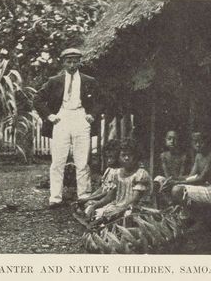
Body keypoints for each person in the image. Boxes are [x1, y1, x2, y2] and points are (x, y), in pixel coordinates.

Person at [33, 48, 101, 208]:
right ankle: (55, 197)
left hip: (80, 117)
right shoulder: (54, 81)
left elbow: (101, 100)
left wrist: (92, 114)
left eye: (75, 61)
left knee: (82, 160)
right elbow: (37, 99)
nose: (72, 65)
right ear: (63, 63)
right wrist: (50, 115)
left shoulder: (89, 81)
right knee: (58, 160)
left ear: (80, 62)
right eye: (68, 61)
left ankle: (84, 196)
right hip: (62, 118)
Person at [86, 138, 153, 220]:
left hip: (134, 208)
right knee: (95, 213)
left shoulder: (140, 174)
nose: (127, 158)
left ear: (136, 156)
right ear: (118, 157)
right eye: (123, 155)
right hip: (118, 205)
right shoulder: (117, 173)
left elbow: (134, 199)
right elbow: (110, 196)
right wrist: (95, 206)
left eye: (130, 155)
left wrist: (119, 210)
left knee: (126, 217)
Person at [169, 131, 211, 206]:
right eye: (195, 142)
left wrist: (177, 182)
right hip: (206, 186)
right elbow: (191, 176)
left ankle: (188, 213)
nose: (198, 145)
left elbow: (201, 179)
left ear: (206, 142)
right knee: (164, 182)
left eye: (201, 142)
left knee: (177, 190)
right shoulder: (198, 155)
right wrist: (174, 178)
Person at [77, 139, 120, 209]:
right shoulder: (109, 170)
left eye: (111, 157)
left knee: (88, 206)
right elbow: (102, 188)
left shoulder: (119, 173)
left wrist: (87, 199)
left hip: (110, 199)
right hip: (102, 197)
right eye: (107, 157)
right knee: (83, 204)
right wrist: (90, 197)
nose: (109, 160)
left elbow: (108, 194)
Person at [154, 130, 187, 208]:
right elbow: (165, 172)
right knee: (157, 181)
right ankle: (162, 207)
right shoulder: (163, 155)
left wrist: (176, 181)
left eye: (175, 139)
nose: (172, 141)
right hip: (168, 179)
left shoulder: (183, 156)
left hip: (179, 180)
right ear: (165, 140)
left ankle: (176, 206)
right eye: (169, 139)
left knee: (176, 188)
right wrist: (169, 180)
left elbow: (181, 173)